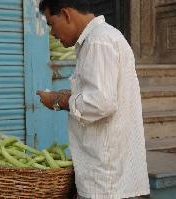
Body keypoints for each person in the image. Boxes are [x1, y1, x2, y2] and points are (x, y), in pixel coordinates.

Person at [36, 1, 150, 198]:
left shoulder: (99, 42)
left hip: (105, 182)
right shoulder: (102, 38)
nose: (52, 34)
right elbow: (102, 96)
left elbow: (101, 103)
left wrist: (58, 100)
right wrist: (70, 96)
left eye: (51, 24)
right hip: (110, 177)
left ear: (66, 14)